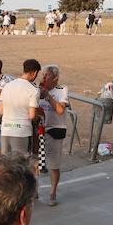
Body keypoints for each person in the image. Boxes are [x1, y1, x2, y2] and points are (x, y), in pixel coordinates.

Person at [38, 64, 70, 204]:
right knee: (35, 162)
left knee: (53, 165)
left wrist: (48, 96)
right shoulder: (36, 89)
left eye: (47, 75)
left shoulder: (61, 90)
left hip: (55, 130)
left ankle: (52, 192)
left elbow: (60, 110)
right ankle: (34, 190)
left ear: (55, 78)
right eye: (43, 75)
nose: (44, 78)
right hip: (39, 129)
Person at [0, 59, 42, 157]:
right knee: (20, 166)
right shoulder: (33, 90)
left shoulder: (7, 86)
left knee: (6, 165)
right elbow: (32, 115)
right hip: (22, 131)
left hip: (6, 130)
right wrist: (39, 118)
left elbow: (0, 111)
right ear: (34, 73)